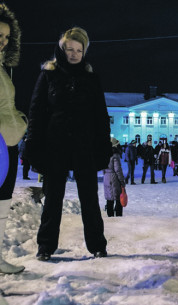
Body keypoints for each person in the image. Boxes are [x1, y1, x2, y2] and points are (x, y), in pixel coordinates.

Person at [26, 27, 111, 261]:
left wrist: (103, 147)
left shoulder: (91, 78)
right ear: (61, 49)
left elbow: (100, 117)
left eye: (79, 50)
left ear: (84, 52)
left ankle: (97, 245)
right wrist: (33, 144)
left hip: (85, 147)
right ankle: (45, 246)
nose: (73, 54)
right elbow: (36, 113)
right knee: (53, 198)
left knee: (89, 200)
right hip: (55, 146)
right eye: (69, 49)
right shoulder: (48, 75)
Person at [0, 3, 25, 274]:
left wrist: (20, 120)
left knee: (2, 204)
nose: (3, 42)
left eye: (7, 37)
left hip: (8, 145)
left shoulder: (2, 71)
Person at [103, 138, 125, 217]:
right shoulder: (115, 155)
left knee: (109, 199)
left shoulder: (104, 154)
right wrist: (122, 181)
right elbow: (118, 170)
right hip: (114, 178)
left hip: (106, 177)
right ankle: (118, 217)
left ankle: (110, 216)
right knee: (118, 199)